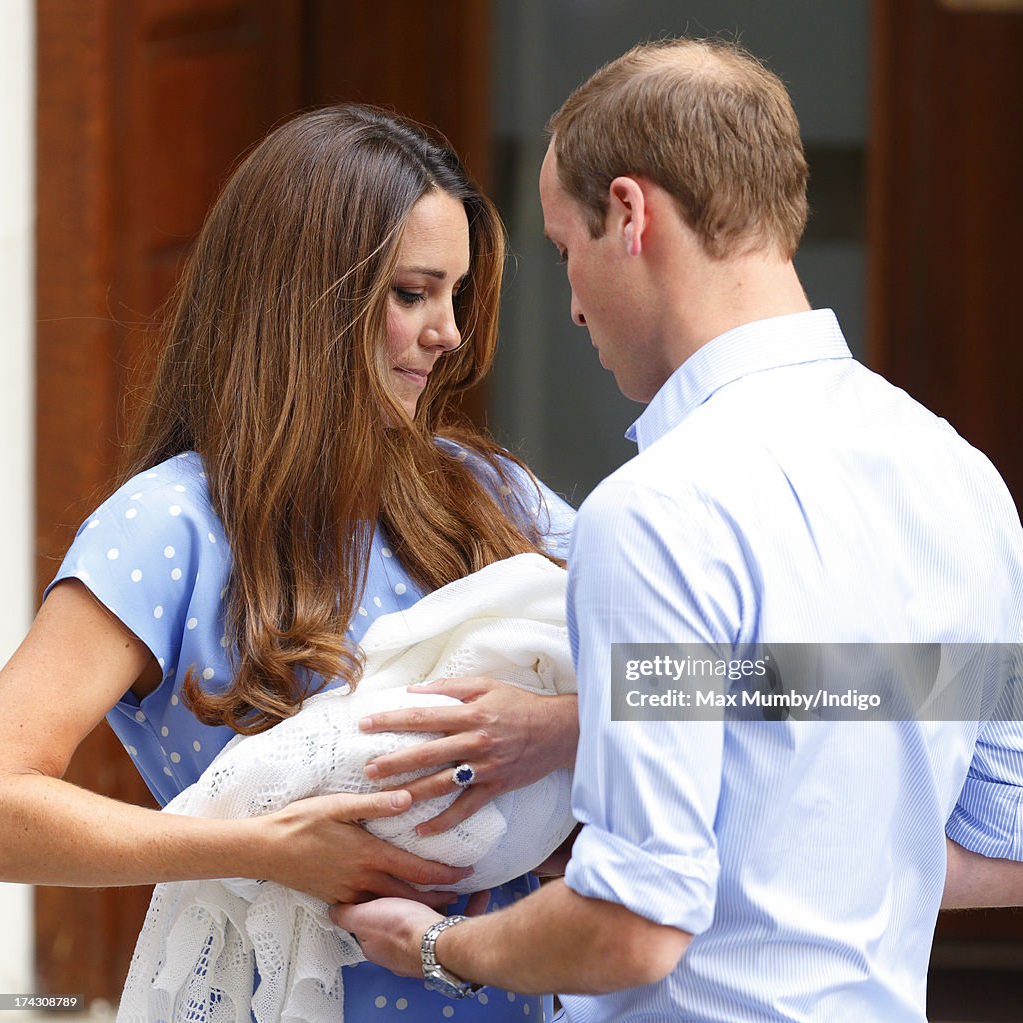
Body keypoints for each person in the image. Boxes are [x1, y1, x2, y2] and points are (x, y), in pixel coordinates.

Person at [334, 37, 1023, 1022]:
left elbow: (632, 928)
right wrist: (591, 730)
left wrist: (438, 945)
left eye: (566, 251)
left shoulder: (657, 510)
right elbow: (994, 830)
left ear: (628, 213)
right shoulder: (958, 476)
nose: (570, 306)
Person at [0, 104, 577, 1021]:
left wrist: (563, 737)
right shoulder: (169, 524)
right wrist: (262, 846)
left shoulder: (490, 492)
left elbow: (702, 684)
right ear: (310, 296)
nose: (450, 334)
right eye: (412, 293)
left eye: (456, 296)